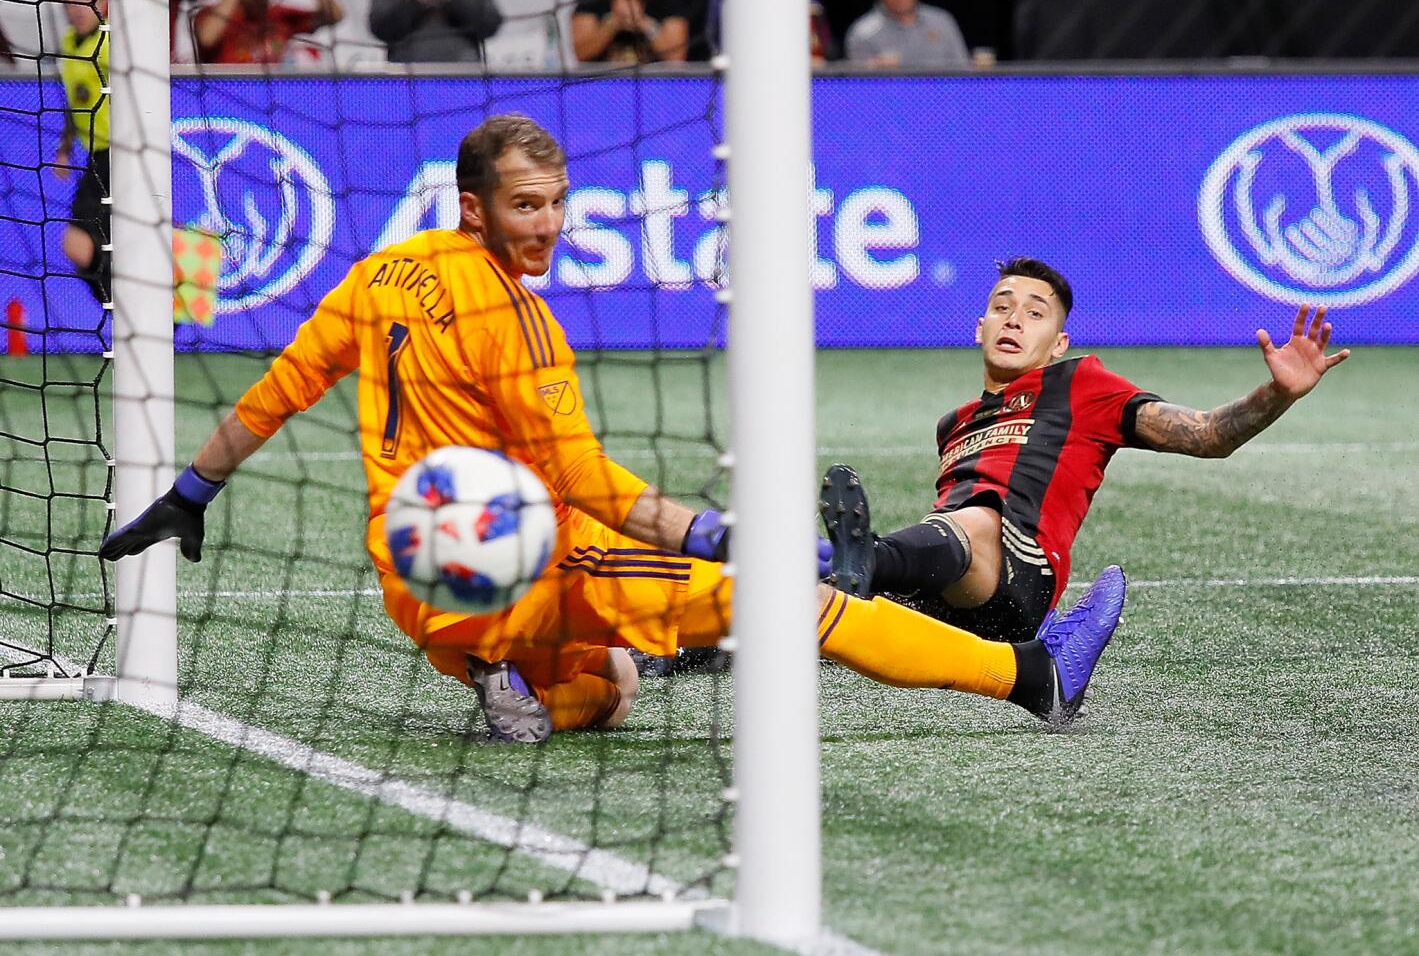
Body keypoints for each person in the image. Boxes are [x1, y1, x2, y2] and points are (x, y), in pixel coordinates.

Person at [100, 117, 1124, 743]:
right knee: (793, 602)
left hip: (417, 590)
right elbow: (586, 477)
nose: (546, 225)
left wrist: (189, 496)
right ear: (473, 208)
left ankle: (506, 675)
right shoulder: (521, 320)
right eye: (525, 206)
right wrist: (717, 533)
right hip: (538, 562)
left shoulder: (378, 274)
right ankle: (1033, 677)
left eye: (556, 204)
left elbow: (276, 390)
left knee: (610, 692)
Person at [821, 257, 1350, 647]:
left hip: (1020, 580)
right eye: (1001, 308)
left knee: (979, 517)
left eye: (1034, 313)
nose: (1012, 320)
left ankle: (869, 560)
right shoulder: (953, 424)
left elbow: (1208, 434)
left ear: (1058, 343)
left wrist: (1278, 393)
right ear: (979, 328)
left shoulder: (1082, 384)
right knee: (816, 584)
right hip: (950, 583)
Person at [53, 0, 110, 307]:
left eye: (84, 1)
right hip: (96, 158)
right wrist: (64, 149)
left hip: (120, 156)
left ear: (104, 4)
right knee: (82, 245)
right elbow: (73, 102)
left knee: (77, 243)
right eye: (69, 2)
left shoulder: (114, 42)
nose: (76, 9)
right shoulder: (67, 42)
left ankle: (140, 306)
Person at [193, 0, 344, 65]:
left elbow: (335, 15)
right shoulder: (216, 14)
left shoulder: (279, 16)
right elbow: (206, 37)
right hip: (225, 95)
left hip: (270, 98)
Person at [844, 0, 968, 69]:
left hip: (944, 101)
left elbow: (964, 67)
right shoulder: (862, 33)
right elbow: (859, 87)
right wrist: (873, 69)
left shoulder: (942, 21)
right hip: (891, 104)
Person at [369, 0, 502, 63]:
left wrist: (453, 0)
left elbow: (489, 23)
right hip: (407, 80)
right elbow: (380, 27)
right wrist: (415, 2)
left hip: (464, 79)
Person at [571, 0, 689, 64]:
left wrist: (644, 24)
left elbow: (676, 59)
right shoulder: (593, 0)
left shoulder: (668, 0)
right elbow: (581, 53)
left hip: (655, 88)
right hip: (601, 86)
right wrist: (613, 24)